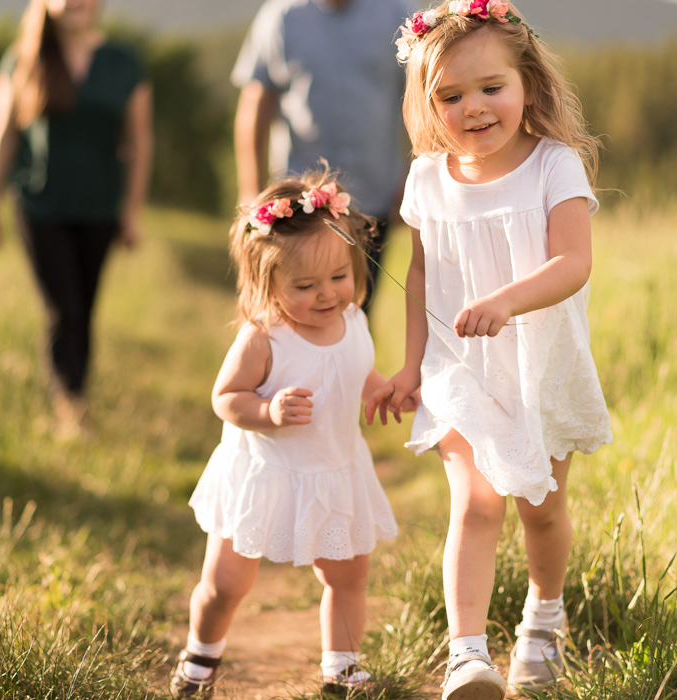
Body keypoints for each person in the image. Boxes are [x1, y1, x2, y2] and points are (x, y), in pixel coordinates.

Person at [365, 2, 613, 698]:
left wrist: (506, 300)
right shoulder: (427, 180)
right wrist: (411, 366)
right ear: (426, 102)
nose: (472, 108)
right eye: (450, 95)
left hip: (539, 364)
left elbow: (573, 263)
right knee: (474, 503)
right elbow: (419, 275)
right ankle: (467, 654)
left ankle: (542, 621)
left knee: (541, 507)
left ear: (527, 82)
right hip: (458, 368)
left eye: (490, 88)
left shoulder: (553, 166)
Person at [171, 171, 412, 697]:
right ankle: (200, 656)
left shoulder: (354, 320)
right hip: (265, 473)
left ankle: (342, 669)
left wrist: (378, 389)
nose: (327, 295)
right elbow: (226, 398)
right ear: (267, 283)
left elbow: (350, 368)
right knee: (228, 583)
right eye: (305, 286)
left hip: (333, 468)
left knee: (347, 576)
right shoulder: (264, 338)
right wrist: (267, 410)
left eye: (338, 277)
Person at [0, 0, 153, 438]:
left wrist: (131, 213)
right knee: (63, 307)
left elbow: (140, 142)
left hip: (99, 208)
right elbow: (1, 135)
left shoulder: (124, 63)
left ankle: (76, 395)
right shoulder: (22, 58)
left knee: (85, 307)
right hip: (40, 207)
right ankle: (68, 403)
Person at [231, 0, 412, 310]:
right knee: (291, 311)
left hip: (372, 198)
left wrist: (412, 177)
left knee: (356, 310)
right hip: (297, 206)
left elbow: (421, 97)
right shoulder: (282, 16)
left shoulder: (396, 11)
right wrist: (251, 191)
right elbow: (255, 103)